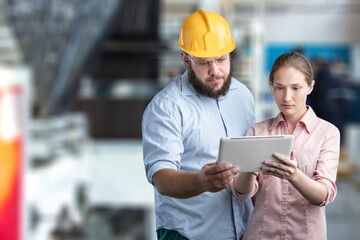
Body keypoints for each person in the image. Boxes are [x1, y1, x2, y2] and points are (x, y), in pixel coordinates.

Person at [142, 9, 255, 240]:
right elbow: (161, 178)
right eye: (204, 63)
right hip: (189, 234)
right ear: (186, 59)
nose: (215, 71)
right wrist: (202, 181)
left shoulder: (242, 96)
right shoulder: (166, 107)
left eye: (222, 59)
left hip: (243, 230)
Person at [232, 52, 340, 240]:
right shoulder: (257, 131)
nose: (286, 97)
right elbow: (242, 194)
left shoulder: (327, 133)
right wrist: (248, 169)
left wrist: (294, 175)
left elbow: (324, 195)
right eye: (279, 88)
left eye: (296, 88)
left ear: (310, 87)